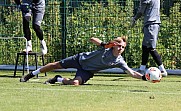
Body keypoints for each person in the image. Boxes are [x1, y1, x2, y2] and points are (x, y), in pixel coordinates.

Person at [20, 36, 149, 85]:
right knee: (55, 65)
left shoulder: (119, 61)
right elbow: (92, 39)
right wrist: (104, 44)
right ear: (114, 44)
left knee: (75, 83)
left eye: (123, 47)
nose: (120, 48)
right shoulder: (106, 48)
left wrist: (144, 78)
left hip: (87, 71)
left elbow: (131, 73)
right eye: (119, 45)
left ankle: (57, 79)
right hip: (79, 59)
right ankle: (31, 75)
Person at [131, 0, 167, 77]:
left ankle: (162, 70)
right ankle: (142, 69)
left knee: (151, 48)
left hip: (151, 24)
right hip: (151, 24)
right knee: (145, 47)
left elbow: (141, 11)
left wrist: (134, 19)